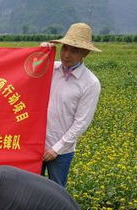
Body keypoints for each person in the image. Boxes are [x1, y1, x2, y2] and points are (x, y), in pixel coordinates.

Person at [42, 23, 102, 187]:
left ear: (86, 53)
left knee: (57, 192)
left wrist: (56, 149)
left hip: (62, 151)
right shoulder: (49, 68)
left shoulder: (90, 83)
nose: (67, 54)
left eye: (74, 50)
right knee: (30, 189)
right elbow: (26, 70)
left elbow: (81, 122)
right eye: (65, 48)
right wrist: (40, 52)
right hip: (36, 144)